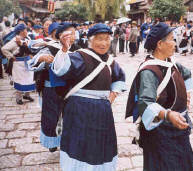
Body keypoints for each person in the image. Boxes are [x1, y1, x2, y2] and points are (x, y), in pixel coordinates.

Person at [51, 23, 126, 171]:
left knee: (100, 143)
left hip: (102, 110)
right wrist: (64, 50)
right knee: (79, 142)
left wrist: (113, 95)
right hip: (79, 108)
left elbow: (119, 78)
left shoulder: (110, 61)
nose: (104, 43)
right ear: (90, 40)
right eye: (99, 39)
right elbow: (61, 70)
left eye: (107, 39)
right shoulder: (79, 56)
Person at [126, 22, 193, 171]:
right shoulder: (149, 71)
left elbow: (187, 74)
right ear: (160, 44)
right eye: (171, 39)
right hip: (161, 132)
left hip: (179, 129)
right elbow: (146, 103)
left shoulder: (170, 63)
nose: (174, 43)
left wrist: (186, 95)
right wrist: (168, 115)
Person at [27, 22, 64, 152]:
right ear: (54, 32)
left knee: (66, 116)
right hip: (50, 87)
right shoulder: (46, 46)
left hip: (67, 89)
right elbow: (32, 61)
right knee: (51, 116)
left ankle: (64, 141)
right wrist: (41, 58)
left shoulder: (70, 46)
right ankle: (52, 142)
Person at [1, 24, 35, 105]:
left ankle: (27, 95)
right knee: (20, 80)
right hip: (18, 64)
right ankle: (18, 97)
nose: (27, 31)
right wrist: (11, 57)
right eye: (25, 30)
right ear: (21, 31)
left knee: (29, 79)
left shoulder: (27, 38)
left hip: (27, 62)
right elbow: (4, 49)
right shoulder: (15, 40)